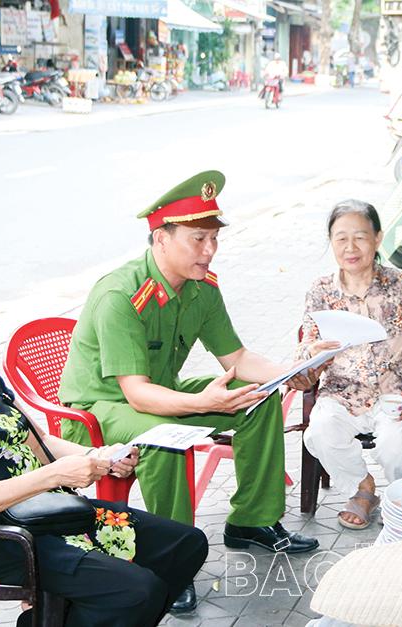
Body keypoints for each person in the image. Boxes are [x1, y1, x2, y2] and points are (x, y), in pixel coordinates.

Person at [57, 171, 320, 612]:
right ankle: (170, 562)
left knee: (256, 397)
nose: (210, 250)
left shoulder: (201, 288)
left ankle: (252, 520)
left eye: (214, 239)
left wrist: (288, 372)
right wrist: (201, 404)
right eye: (198, 239)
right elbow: (138, 396)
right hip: (98, 409)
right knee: (165, 436)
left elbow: (235, 359)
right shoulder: (121, 295)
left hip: (162, 393)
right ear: (161, 239)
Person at [0, 270, 209, 627]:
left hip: (43, 512)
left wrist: (96, 457)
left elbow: (37, 439)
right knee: (136, 591)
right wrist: (50, 475)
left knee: (185, 545)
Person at [297, 201, 402, 530]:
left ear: (378, 238)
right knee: (320, 431)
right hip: (344, 393)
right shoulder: (321, 291)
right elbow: (305, 349)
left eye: (360, 237)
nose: (350, 247)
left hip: (398, 391)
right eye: (340, 238)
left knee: (393, 446)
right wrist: (312, 353)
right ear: (330, 242)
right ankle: (363, 488)